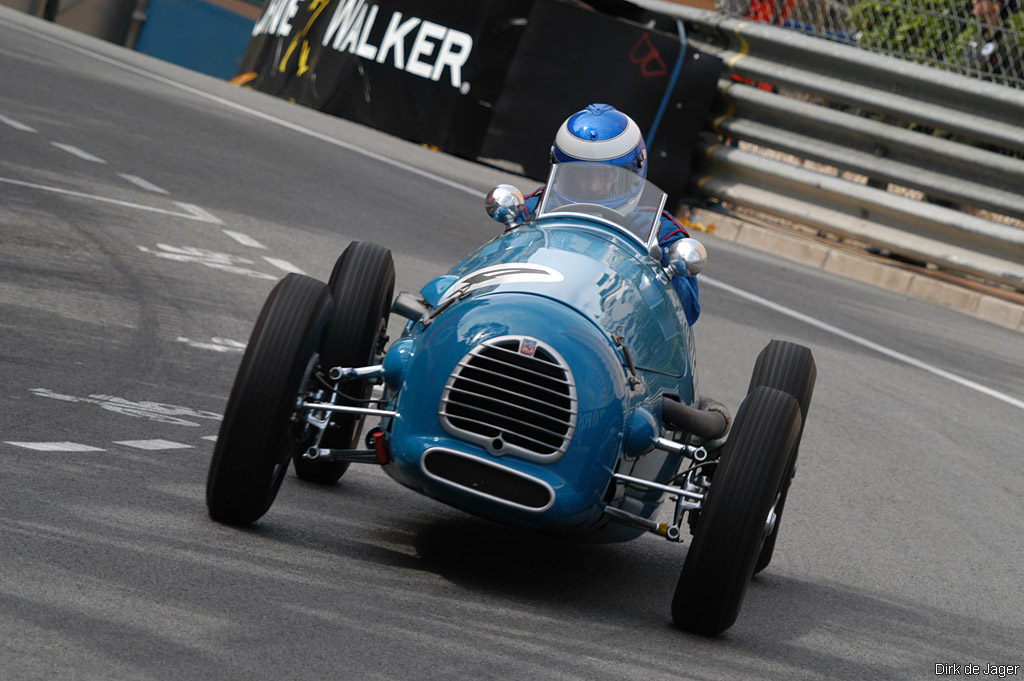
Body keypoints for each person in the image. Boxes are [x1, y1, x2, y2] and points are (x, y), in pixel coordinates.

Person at [523, 103, 701, 326]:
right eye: (583, 174)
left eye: (608, 176)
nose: (595, 186)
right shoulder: (533, 210)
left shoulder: (661, 232)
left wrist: (657, 268)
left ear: (635, 170)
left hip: (620, 329)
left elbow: (686, 316)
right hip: (536, 311)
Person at [966, 0, 1022, 86]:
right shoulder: (977, 37)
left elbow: (1009, 81)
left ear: (997, 4)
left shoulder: (1008, 41)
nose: (974, 1)